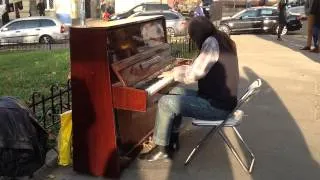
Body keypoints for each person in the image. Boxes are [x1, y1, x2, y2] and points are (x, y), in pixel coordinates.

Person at [139, 16, 239, 162]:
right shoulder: (220, 38)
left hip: (217, 107)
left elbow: (194, 74)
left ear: (198, 34)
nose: (192, 40)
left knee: (165, 102)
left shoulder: (211, 43)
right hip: (219, 99)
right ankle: (171, 139)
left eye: (192, 36)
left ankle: (161, 149)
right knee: (174, 92)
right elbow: (200, 67)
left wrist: (173, 73)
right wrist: (176, 70)